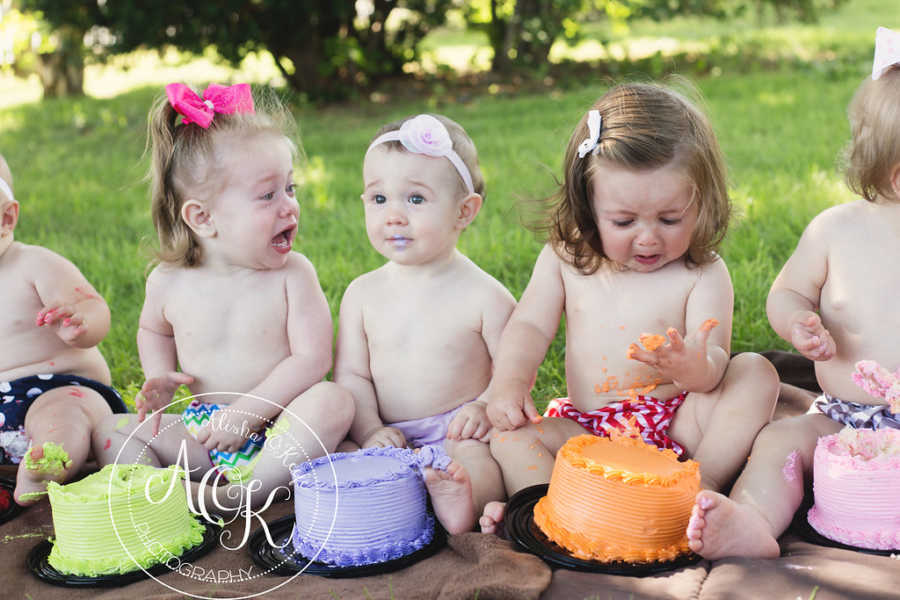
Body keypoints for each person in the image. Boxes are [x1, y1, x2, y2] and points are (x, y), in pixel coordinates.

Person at [479, 81, 780, 534]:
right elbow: (528, 327)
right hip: (586, 432)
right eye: (623, 221)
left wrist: (691, 367)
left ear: (701, 204)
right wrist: (508, 385)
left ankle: (700, 488)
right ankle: (554, 512)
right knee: (509, 438)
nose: (647, 237)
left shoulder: (702, 272)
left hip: (677, 426)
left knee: (756, 373)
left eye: (669, 219)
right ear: (588, 205)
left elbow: (715, 368)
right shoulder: (567, 259)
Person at [686, 28, 900, 559]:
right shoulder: (835, 230)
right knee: (779, 443)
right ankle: (752, 521)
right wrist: (800, 322)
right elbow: (786, 295)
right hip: (843, 418)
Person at [94, 83, 354, 510]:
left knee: (333, 401)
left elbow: (313, 360)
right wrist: (158, 376)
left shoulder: (293, 275)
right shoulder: (168, 280)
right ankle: (160, 496)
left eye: (291, 188)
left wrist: (248, 414)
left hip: (278, 425)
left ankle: (243, 494)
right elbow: (152, 329)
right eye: (268, 195)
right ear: (203, 217)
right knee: (110, 429)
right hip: (203, 434)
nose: (289, 206)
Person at [334, 113, 516, 534]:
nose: (394, 215)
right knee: (339, 451)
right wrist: (370, 430)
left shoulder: (485, 296)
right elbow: (353, 376)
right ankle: (390, 503)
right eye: (379, 199)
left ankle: (463, 499)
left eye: (415, 199)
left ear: (464, 211)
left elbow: (515, 370)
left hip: (458, 428)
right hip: (387, 433)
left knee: (480, 458)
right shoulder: (361, 294)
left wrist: (484, 405)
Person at [0, 153, 127, 506]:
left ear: (6, 218)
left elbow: (93, 308)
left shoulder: (33, 265)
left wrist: (80, 323)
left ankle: (47, 465)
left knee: (64, 416)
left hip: (58, 388)